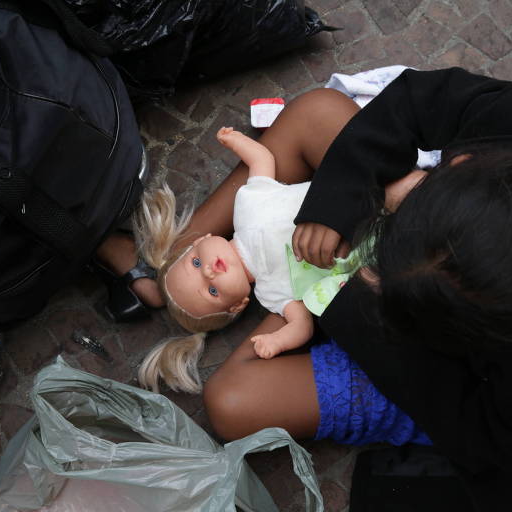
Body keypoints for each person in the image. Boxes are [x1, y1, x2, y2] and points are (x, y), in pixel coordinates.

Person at [105, 67, 512, 511]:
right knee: (317, 114)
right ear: (460, 163)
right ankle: (178, 252)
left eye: (382, 282)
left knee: (229, 404)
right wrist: (343, 199)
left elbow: (483, 443)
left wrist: (348, 307)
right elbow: (413, 99)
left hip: (450, 385)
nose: (360, 265)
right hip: (428, 289)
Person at [134, 126, 392, 392]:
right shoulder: (271, 292)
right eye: (211, 290)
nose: (209, 272)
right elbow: (302, 325)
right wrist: (277, 341)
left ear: (201, 240)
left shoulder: (245, 207)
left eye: (197, 263)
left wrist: (236, 141)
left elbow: (262, 161)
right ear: (238, 305)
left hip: (353, 196)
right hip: (370, 250)